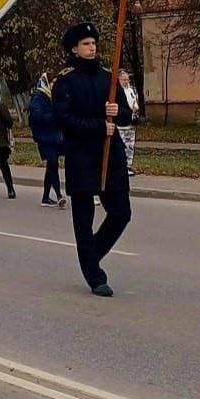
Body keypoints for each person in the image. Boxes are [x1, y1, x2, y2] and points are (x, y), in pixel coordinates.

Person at [52, 22, 133, 297]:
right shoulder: (65, 81)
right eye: (86, 43)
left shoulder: (108, 78)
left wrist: (117, 110)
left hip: (111, 154)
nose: (92, 47)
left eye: (94, 42)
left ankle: (92, 253)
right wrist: (99, 125)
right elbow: (64, 118)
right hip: (81, 155)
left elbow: (126, 115)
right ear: (74, 49)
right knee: (84, 218)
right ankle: (94, 276)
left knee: (122, 212)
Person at [28, 73, 66, 208]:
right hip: (44, 136)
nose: (54, 85)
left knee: (51, 166)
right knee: (53, 163)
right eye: (52, 82)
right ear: (46, 82)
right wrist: (55, 116)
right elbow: (37, 116)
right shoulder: (38, 97)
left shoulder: (55, 96)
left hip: (56, 136)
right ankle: (59, 195)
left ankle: (45, 197)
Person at [117, 70, 140, 175]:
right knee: (121, 145)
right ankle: (120, 166)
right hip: (120, 124)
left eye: (127, 79)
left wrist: (135, 109)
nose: (126, 81)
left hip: (130, 123)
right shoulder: (117, 91)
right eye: (124, 79)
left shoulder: (131, 90)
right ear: (119, 79)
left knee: (130, 146)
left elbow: (135, 103)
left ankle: (128, 166)